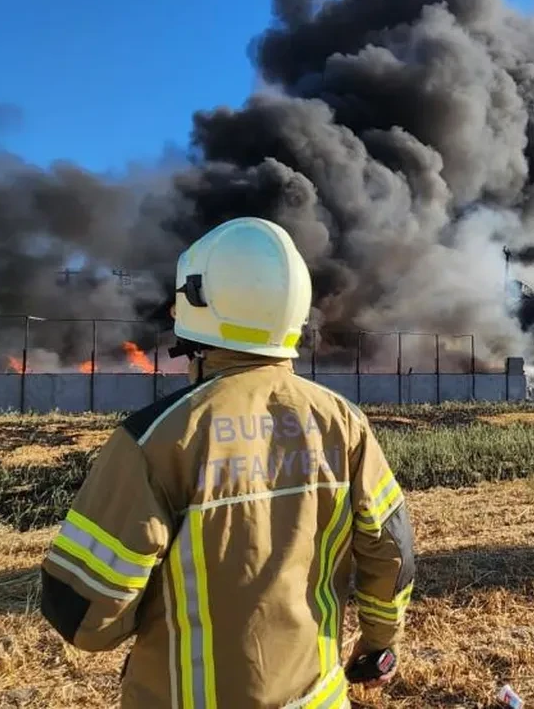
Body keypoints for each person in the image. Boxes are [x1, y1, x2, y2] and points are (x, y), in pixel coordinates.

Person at [37, 217, 416, 708]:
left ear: (196, 302)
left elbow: (85, 617)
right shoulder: (343, 423)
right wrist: (381, 638)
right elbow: (391, 549)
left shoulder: (157, 439)